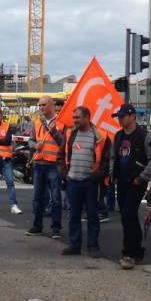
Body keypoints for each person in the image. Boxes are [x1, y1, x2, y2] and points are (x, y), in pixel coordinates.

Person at [109, 103, 151, 269]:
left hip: (136, 182)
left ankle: (129, 253)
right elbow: (113, 157)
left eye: (123, 116)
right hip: (121, 181)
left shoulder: (145, 136)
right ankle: (138, 252)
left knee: (128, 214)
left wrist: (142, 178)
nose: (120, 119)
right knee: (127, 217)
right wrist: (113, 175)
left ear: (132, 116)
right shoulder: (118, 136)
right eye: (119, 116)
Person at [59, 105, 112, 257]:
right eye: (74, 117)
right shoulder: (70, 134)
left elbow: (107, 161)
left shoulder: (100, 136)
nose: (74, 120)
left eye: (77, 117)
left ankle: (93, 246)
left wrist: (95, 177)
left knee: (92, 215)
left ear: (87, 118)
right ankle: (74, 245)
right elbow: (61, 156)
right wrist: (64, 174)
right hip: (73, 181)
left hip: (91, 182)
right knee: (74, 215)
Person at [27, 96, 63, 238]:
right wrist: (35, 145)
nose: (41, 107)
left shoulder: (60, 122)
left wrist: (54, 132)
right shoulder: (37, 122)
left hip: (53, 164)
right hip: (39, 164)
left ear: (51, 105)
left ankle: (56, 228)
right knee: (37, 198)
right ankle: (37, 226)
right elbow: (31, 140)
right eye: (40, 105)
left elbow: (64, 143)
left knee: (55, 198)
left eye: (43, 105)